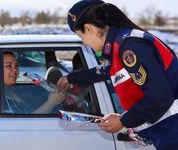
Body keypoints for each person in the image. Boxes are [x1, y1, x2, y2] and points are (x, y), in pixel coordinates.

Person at [57, 0, 178, 149]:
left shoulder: (130, 47)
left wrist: (123, 120)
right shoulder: (119, 45)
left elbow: (159, 97)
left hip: (172, 131)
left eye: (80, 37)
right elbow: (106, 70)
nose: (84, 42)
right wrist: (70, 78)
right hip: (166, 130)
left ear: (89, 28)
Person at [0, 52, 66, 114]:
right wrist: (52, 102)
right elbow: (25, 126)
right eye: (8, 66)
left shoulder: (8, 91)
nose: (15, 70)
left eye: (16, 65)